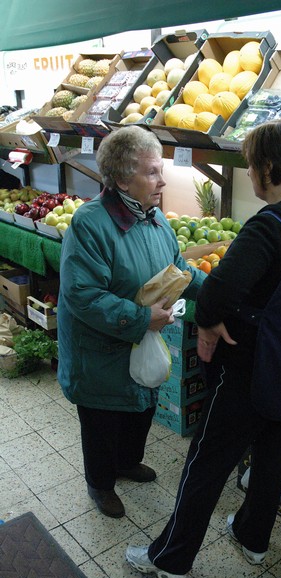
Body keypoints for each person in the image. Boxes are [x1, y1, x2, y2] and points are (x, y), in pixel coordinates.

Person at [126, 118, 281, 578]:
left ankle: (170, 559)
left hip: (251, 367)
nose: (248, 174)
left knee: (206, 462)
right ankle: (253, 536)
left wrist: (208, 323)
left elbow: (219, 290)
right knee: (272, 451)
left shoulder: (270, 226)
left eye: (249, 165)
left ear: (267, 166)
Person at [57, 126, 206, 519]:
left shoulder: (155, 220)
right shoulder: (90, 223)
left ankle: (126, 463)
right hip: (100, 354)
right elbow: (83, 295)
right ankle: (101, 484)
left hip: (140, 345)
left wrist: (219, 293)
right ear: (123, 178)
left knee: (140, 409)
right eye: (153, 172)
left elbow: (180, 270)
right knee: (103, 421)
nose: (163, 180)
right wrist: (142, 319)